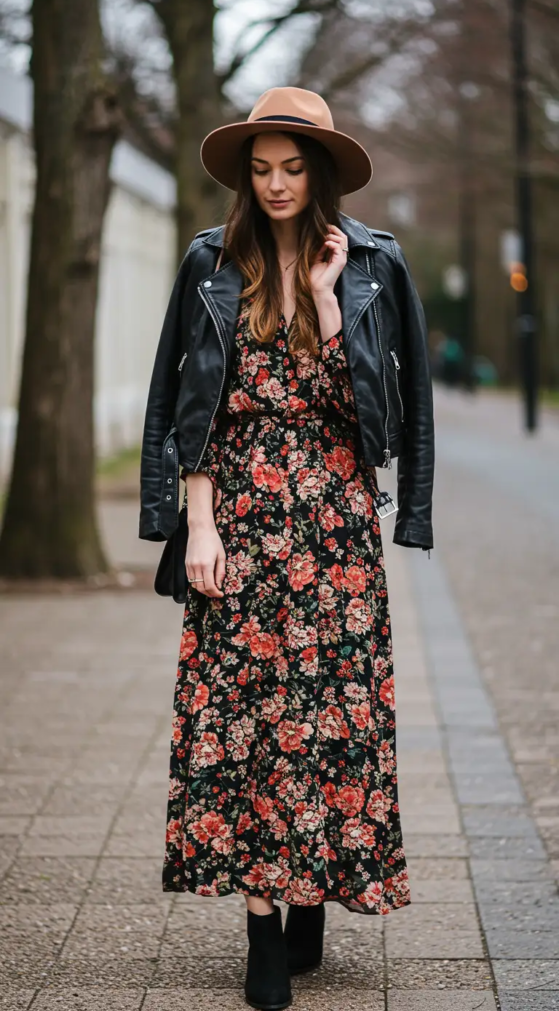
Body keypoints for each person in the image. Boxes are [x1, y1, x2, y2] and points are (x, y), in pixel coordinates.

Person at [139, 86, 435, 1011]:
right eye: (261, 169)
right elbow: (183, 406)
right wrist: (194, 523)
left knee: (330, 727)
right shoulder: (209, 262)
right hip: (239, 521)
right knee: (245, 726)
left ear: (320, 175)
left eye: (292, 168)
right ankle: (263, 932)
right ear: (244, 175)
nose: (275, 184)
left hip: (336, 530)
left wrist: (324, 301)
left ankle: (312, 891)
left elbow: (392, 419)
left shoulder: (372, 264)